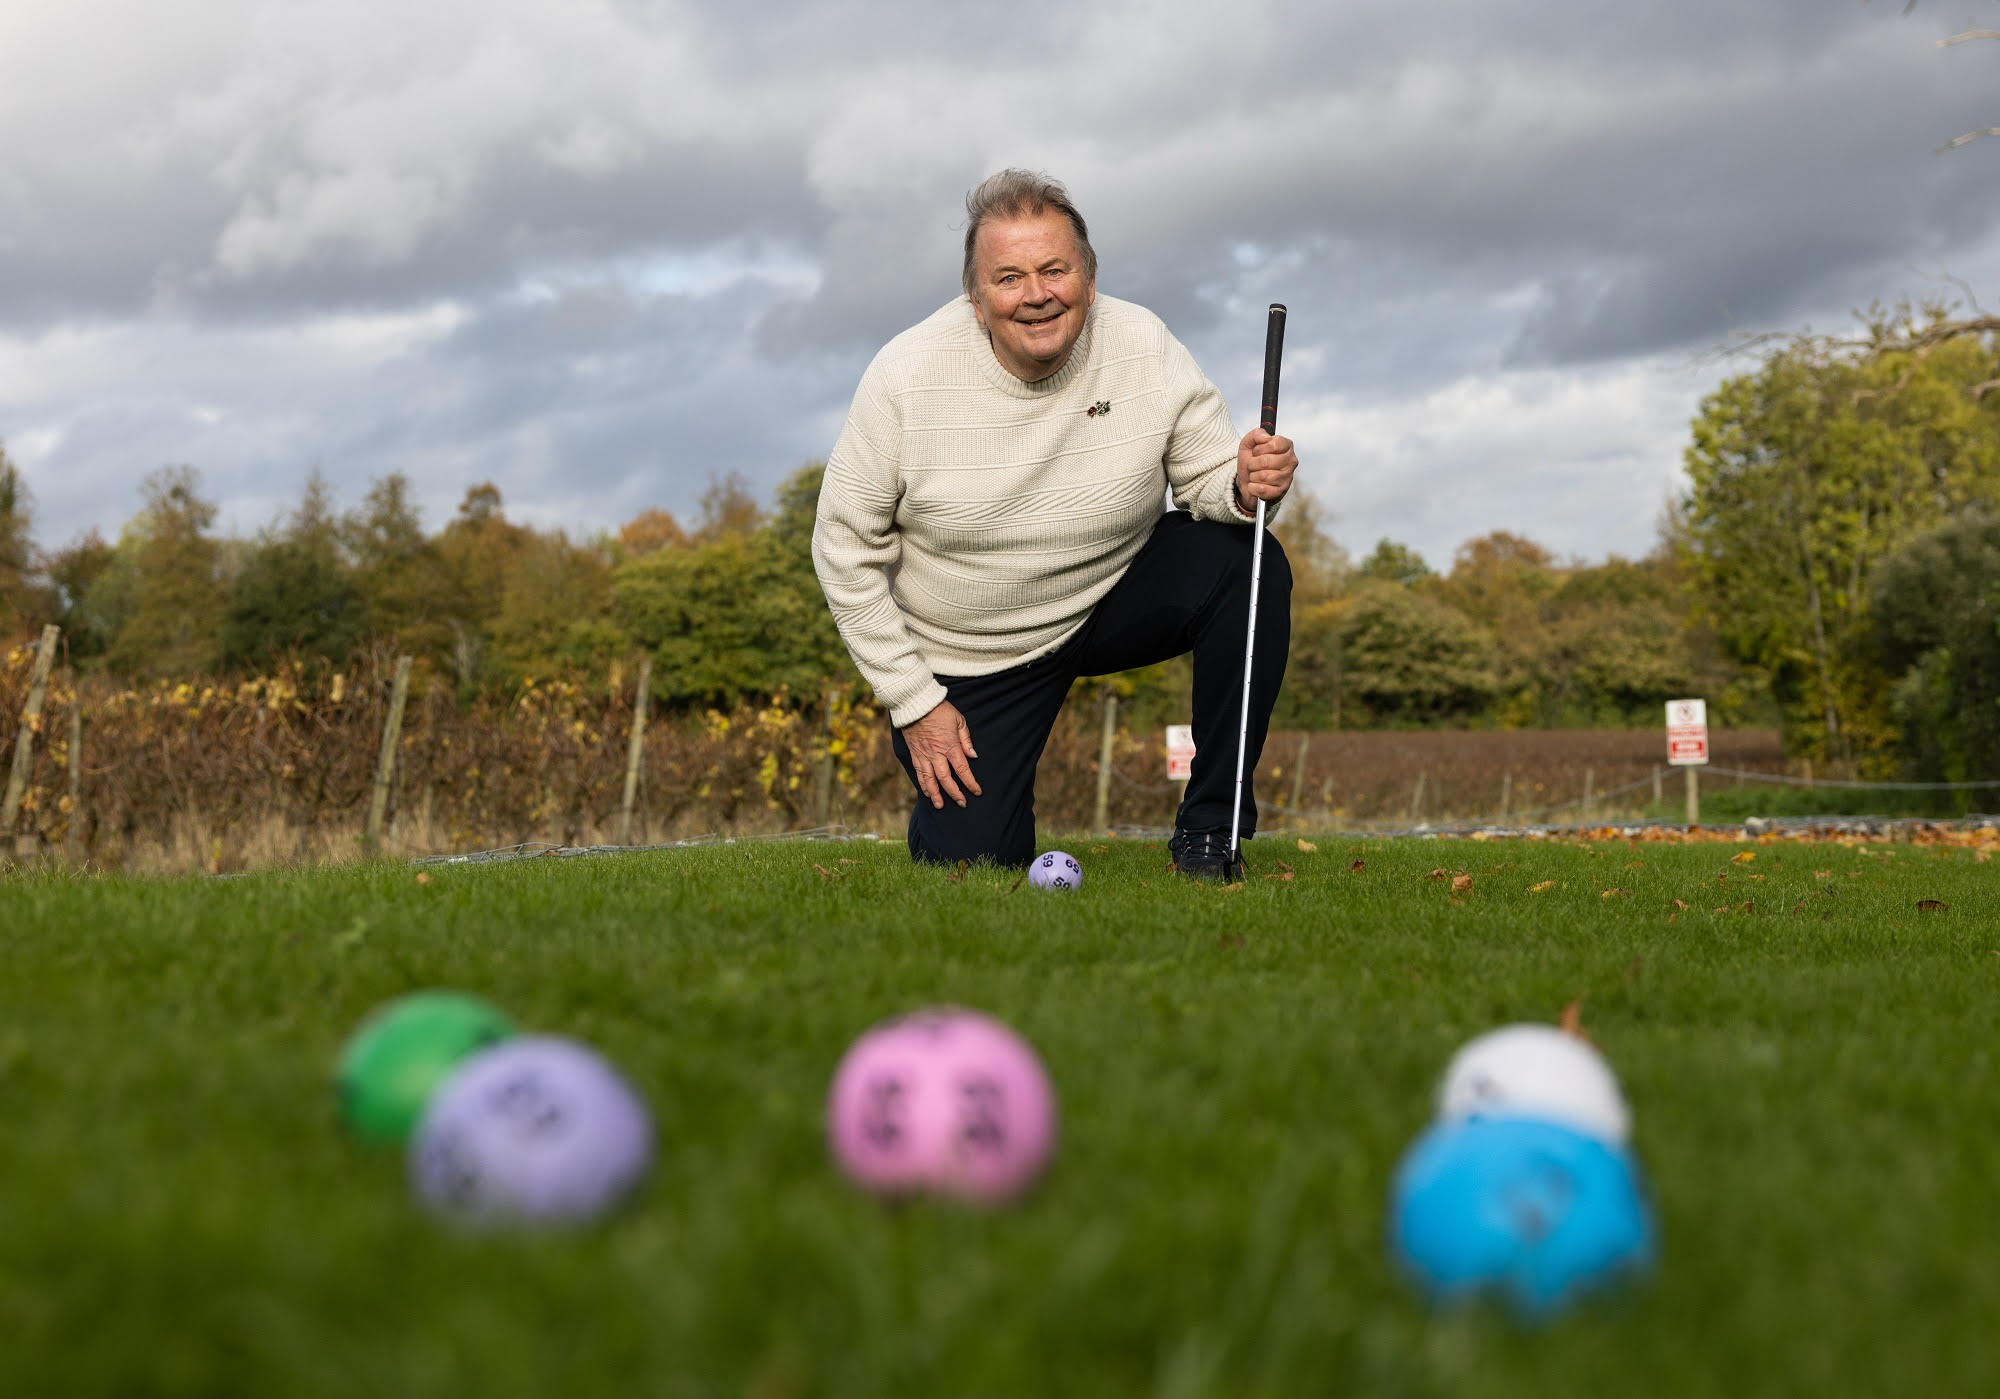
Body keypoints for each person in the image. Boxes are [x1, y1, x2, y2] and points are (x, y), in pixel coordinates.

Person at [811, 169, 1298, 879]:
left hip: (1111, 592)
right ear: (976, 301)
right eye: (1008, 277)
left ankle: (1209, 831)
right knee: (974, 860)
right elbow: (843, 549)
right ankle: (965, 820)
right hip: (974, 654)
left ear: (1090, 281)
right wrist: (915, 703)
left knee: (1249, 563)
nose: (1036, 293)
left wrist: (1245, 485)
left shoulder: (1144, 343)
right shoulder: (904, 376)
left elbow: (1207, 480)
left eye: (1054, 269)